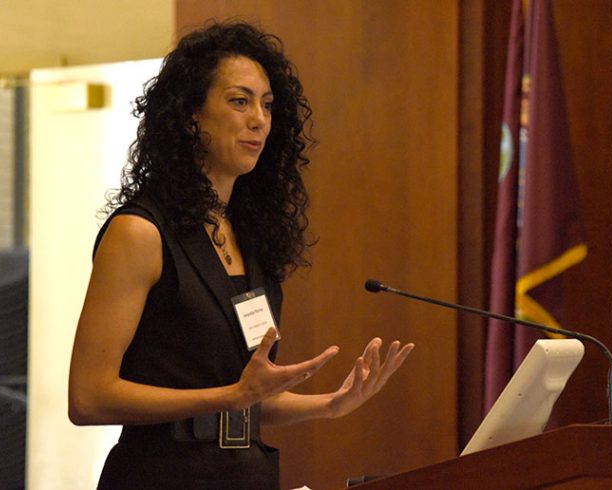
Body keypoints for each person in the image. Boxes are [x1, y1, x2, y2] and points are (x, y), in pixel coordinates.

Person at [67, 22, 414, 489]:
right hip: (160, 476)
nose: (259, 119)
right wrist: (231, 395)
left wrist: (332, 404)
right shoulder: (140, 233)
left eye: (267, 105)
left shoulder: (249, 238)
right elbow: (88, 397)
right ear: (191, 115)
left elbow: (247, 397)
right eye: (239, 101)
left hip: (245, 474)